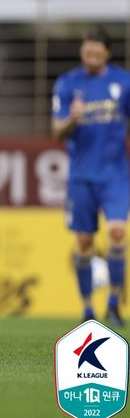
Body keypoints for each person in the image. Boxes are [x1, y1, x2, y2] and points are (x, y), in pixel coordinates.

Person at [52, 27, 128, 326]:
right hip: (81, 176)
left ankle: (113, 303)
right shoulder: (68, 83)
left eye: (97, 53)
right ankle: (87, 308)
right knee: (84, 242)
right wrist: (72, 117)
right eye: (87, 52)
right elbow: (57, 131)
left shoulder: (123, 83)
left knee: (118, 234)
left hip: (115, 174)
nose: (91, 58)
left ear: (107, 53)